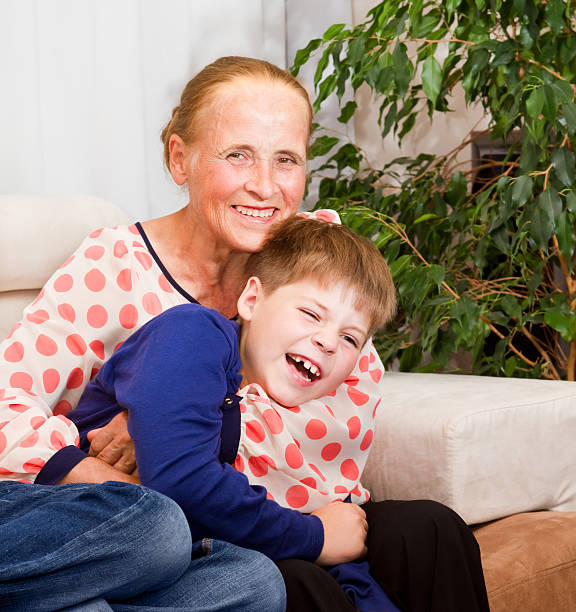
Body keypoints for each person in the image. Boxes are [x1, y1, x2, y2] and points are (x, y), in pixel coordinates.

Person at [0, 55, 487, 611]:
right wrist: (149, 450)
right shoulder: (113, 266)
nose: (265, 187)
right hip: (165, 506)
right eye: (238, 156)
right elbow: (5, 408)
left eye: (287, 160)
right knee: (287, 580)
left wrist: (173, 419)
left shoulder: (316, 254)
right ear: (179, 158)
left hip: (289, 495)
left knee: (429, 530)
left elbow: (342, 411)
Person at [70, 216, 488, 612]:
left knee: (429, 527)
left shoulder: (314, 405)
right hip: (171, 539)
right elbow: (183, 481)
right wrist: (318, 536)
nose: (327, 341)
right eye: (311, 313)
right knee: (295, 580)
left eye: (349, 338)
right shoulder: (194, 334)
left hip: (277, 525)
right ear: (252, 299)